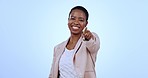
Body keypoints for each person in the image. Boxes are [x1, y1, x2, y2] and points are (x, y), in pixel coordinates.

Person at [49, 6, 100, 78]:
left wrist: (88, 38)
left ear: (86, 23)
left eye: (81, 20)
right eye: (73, 18)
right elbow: (52, 74)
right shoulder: (58, 48)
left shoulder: (89, 41)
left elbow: (94, 45)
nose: (76, 22)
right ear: (68, 20)